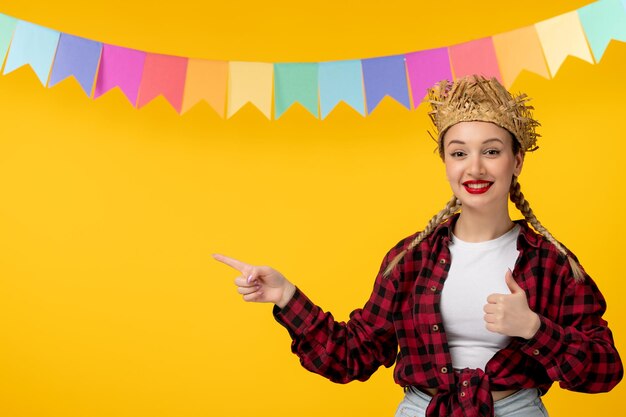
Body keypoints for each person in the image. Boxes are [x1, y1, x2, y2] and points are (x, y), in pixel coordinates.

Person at [213, 75, 623, 417]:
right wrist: (286, 296)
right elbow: (352, 354)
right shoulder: (410, 259)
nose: (474, 168)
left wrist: (534, 329)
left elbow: (605, 371)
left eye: (492, 152)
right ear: (445, 162)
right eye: (459, 152)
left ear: (516, 161)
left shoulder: (552, 263)